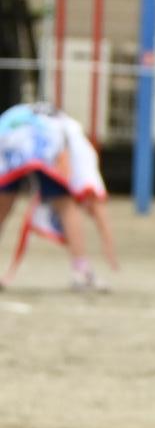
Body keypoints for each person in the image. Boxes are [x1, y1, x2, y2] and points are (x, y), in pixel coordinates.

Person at [0, 104, 116, 291]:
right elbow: (97, 198)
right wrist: (108, 245)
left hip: (7, 130)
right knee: (65, 204)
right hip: (41, 137)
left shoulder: (64, 127)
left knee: (3, 203)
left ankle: (81, 272)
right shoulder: (80, 146)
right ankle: (82, 271)